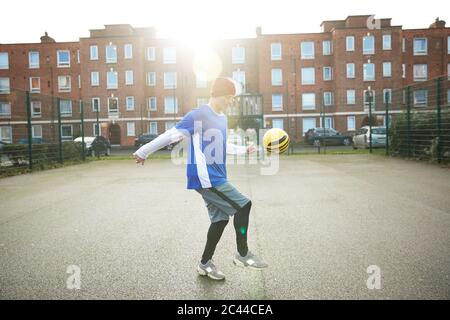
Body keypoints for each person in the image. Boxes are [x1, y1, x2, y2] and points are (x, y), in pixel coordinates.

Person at [133, 77, 268, 281]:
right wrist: (143, 151)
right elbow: (172, 135)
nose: (231, 102)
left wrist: (244, 150)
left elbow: (224, 146)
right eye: (228, 97)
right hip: (206, 178)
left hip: (217, 176)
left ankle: (205, 264)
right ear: (218, 95)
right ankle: (242, 254)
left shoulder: (221, 119)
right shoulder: (198, 115)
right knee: (243, 205)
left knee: (220, 220)